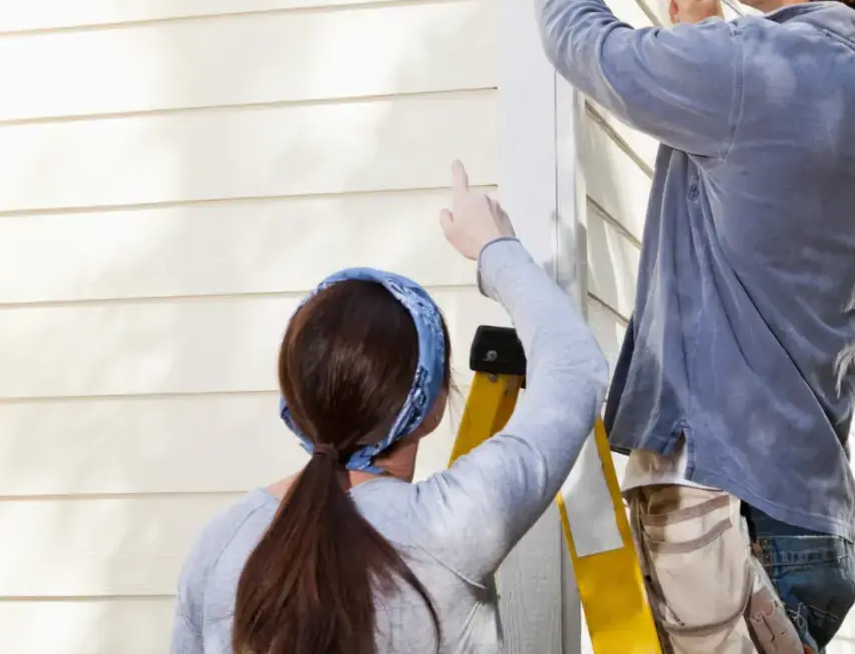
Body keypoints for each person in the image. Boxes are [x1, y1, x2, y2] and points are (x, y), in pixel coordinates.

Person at [504, 0, 855, 654]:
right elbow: (767, 181)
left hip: (721, 509)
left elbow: (586, 47)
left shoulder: (749, 69)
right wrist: (704, 29)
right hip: (813, 522)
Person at [169, 160, 611, 654]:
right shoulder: (447, 526)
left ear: (294, 398)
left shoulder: (221, 545)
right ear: (433, 406)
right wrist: (494, 248)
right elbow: (573, 369)